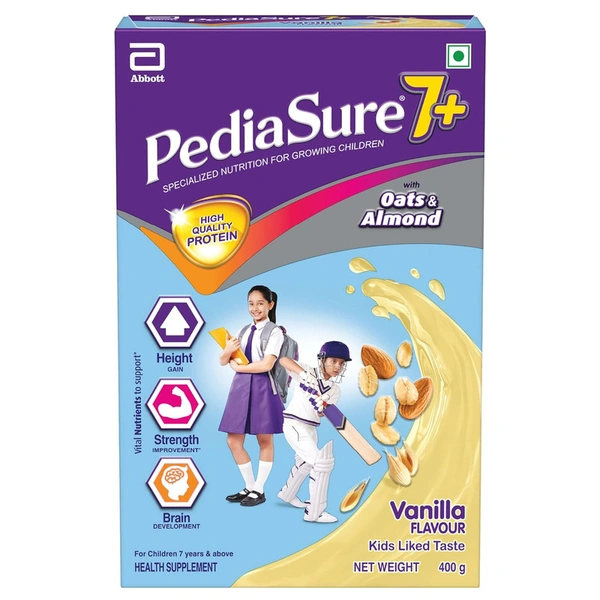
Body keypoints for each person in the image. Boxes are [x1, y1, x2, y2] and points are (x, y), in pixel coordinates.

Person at [218, 285, 284, 507]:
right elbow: (223, 360)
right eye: (251, 303)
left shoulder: (275, 332)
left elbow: (267, 365)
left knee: (264, 440)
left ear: (270, 305)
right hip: (240, 388)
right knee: (233, 440)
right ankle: (250, 487)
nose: (255, 308)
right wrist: (228, 351)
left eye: (260, 303)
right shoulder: (243, 330)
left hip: (264, 387)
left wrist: (238, 367)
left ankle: (259, 489)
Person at [277, 341, 352, 523]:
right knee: (321, 463)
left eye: (342, 363)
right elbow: (284, 360)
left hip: (311, 428)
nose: (338, 366)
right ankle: (314, 513)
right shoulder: (307, 370)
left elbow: (321, 414)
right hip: (294, 424)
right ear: (322, 359)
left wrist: (322, 406)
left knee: (305, 463)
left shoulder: (335, 390)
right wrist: (302, 374)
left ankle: (287, 494)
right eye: (334, 361)